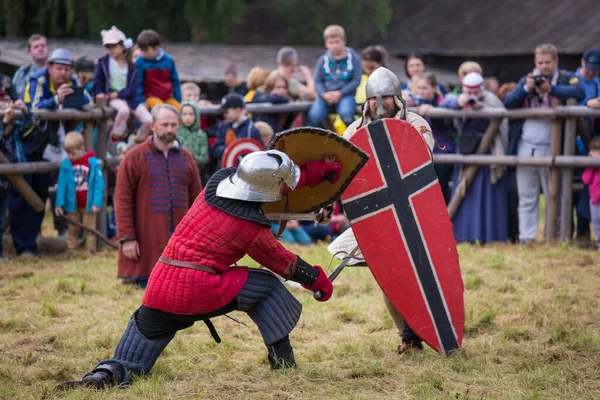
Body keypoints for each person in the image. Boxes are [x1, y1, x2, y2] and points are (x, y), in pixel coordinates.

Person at [57, 150, 338, 390]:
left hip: (161, 283)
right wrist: (317, 280)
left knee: (133, 360)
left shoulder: (215, 186)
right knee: (266, 288)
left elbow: (259, 171)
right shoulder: (250, 229)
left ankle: (106, 373)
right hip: (199, 287)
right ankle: (283, 364)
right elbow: (284, 263)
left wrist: (306, 174)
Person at [331, 67, 435, 354]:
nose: (380, 103)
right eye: (375, 97)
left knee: (418, 277)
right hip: (375, 218)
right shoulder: (354, 131)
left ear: (397, 97)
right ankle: (407, 337)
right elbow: (343, 172)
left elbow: (419, 164)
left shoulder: (415, 124)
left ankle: (426, 330)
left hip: (412, 215)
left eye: (386, 97)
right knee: (389, 280)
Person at [503, 43, 585, 244]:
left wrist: (552, 89)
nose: (544, 66)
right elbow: (508, 102)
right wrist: (525, 89)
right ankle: (527, 238)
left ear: (555, 61)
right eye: (540, 62)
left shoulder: (566, 77)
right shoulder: (528, 78)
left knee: (553, 195)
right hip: (526, 145)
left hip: (553, 147)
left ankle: (553, 236)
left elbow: (580, 92)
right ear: (535, 62)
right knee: (527, 196)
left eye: (547, 62)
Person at [15, 48, 93, 257]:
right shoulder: (37, 81)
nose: (63, 73)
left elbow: (89, 103)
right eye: (59, 68)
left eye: (67, 69)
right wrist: (57, 100)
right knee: (23, 196)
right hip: (28, 146)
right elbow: (33, 108)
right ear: (49, 67)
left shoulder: (71, 83)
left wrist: (74, 96)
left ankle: (31, 244)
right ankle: (24, 246)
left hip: (52, 148)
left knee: (40, 195)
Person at [115, 104, 202, 288]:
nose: (169, 129)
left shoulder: (186, 158)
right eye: (164, 125)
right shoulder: (134, 157)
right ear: (153, 126)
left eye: (173, 125)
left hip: (180, 249)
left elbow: (197, 201)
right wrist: (127, 238)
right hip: (145, 246)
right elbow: (122, 199)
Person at [439, 72, 510, 243]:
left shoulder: (491, 100)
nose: (472, 96)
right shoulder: (458, 99)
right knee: (464, 195)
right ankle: (464, 235)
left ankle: (490, 236)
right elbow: (443, 105)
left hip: (488, 155)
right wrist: (458, 102)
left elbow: (501, 118)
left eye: (475, 93)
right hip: (466, 152)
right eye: (468, 93)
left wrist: (482, 109)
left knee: (487, 198)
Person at [93, 26, 153, 143]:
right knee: (124, 111)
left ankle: (137, 141)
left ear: (123, 46)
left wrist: (119, 94)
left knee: (149, 120)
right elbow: (97, 80)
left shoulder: (132, 66)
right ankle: (115, 138)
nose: (112, 50)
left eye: (114, 46)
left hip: (129, 98)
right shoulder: (104, 63)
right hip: (112, 97)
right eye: (108, 47)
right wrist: (100, 92)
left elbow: (133, 88)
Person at [55, 132, 104, 254]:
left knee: (90, 228)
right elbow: (62, 186)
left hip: (89, 204)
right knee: (73, 227)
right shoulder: (66, 165)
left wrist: (96, 202)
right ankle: (71, 249)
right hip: (73, 204)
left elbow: (99, 185)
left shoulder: (92, 164)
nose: (70, 156)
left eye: (73, 153)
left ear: (82, 148)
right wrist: (59, 203)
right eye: (68, 154)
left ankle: (90, 250)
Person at [307, 25, 362, 128]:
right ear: (326, 44)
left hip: (346, 95)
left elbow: (356, 80)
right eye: (331, 42)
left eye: (337, 42)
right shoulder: (322, 61)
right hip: (325, 95)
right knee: (314, 116)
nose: (334, 45)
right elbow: (318, 82)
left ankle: (355, 137)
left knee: (346, 115)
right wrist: (323, 94)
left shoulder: (354, 59)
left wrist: (340, 93)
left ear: (344, 42)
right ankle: (324, 138)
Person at [415, 72, 456, 203]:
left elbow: (446, 125)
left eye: (425, 88)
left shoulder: (442, 103)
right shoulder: (414, 103)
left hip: (442, 151)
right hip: (422, 154)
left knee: (440, 190)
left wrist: (431, 111)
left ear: (434, 88)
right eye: (419, 88)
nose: (421, 92)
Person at [0, 101, 29, 261]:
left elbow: (30, 126)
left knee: (2, 219)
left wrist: (25, 111)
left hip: (8, 181)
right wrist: (3, 124)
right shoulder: (2, 128)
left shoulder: (16, 129)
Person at [135, 29, 181, 111]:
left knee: (180, 110)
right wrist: (141, 100)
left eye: (146, 51)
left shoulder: (168, 61)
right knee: (161, 110)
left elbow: (175, 81)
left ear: (156, 48)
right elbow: (137, 83)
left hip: (166, 97)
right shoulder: (140, 62)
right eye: (141, 51)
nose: (143, 54)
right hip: (150, 97)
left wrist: (178, 99)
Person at [211, 94, 261, 165]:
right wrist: (229, 150)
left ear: (238, 110)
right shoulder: (224, 126)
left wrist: (235, 149)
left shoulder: (251, 130)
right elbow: (215, 149)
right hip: (224, 169)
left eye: (226, 112)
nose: (224, 115)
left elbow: (255, 154)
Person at [12, 34, 49, 98]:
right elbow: (13, 95)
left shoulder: (58, 71)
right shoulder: (22, 72)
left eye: (43, 46)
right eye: (36, 47)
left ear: (48, 48)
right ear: (30, 51)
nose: (40, 49)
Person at [177, 100, 209, 172]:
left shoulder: (202, 135)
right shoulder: (176, 133)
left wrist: (191, 157)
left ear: (197, 115)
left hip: (195, 172)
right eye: (184, 114)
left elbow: (204, 158)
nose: (187, 117)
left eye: (191, 114)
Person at [582, 138, 600, 250]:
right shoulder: (592, 168)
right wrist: (591, 167)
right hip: (594, 201)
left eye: (594, 151)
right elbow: (586, 179)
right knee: (596, 223)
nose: (590, 154)